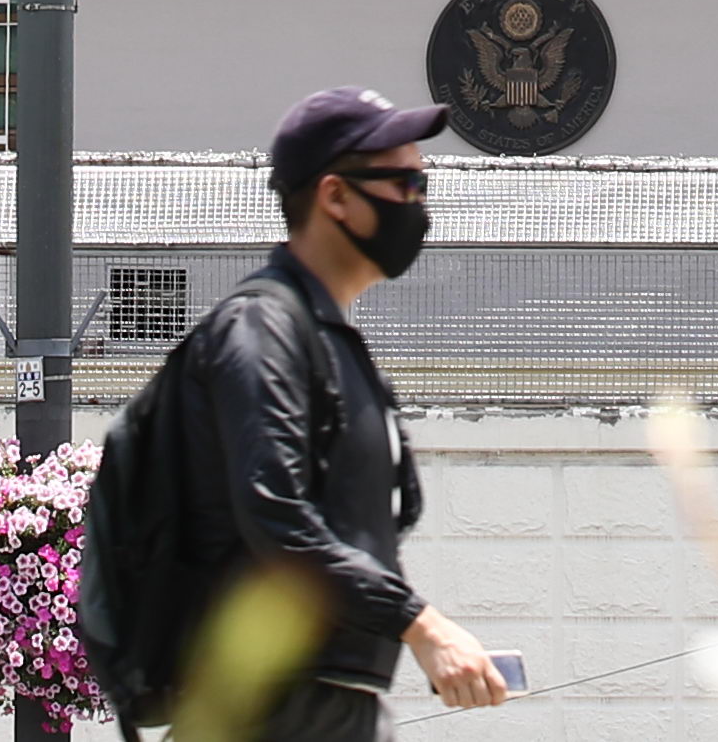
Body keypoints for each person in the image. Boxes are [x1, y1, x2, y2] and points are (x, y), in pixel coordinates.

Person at [179, 87, 511, 738]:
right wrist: (423, 626)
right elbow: (276, 514)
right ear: (334, 197)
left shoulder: (337, 348)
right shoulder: (263, 330)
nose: (418, 205)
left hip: (336, 701)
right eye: (402, 184)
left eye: (423, 186)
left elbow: (362, 530)